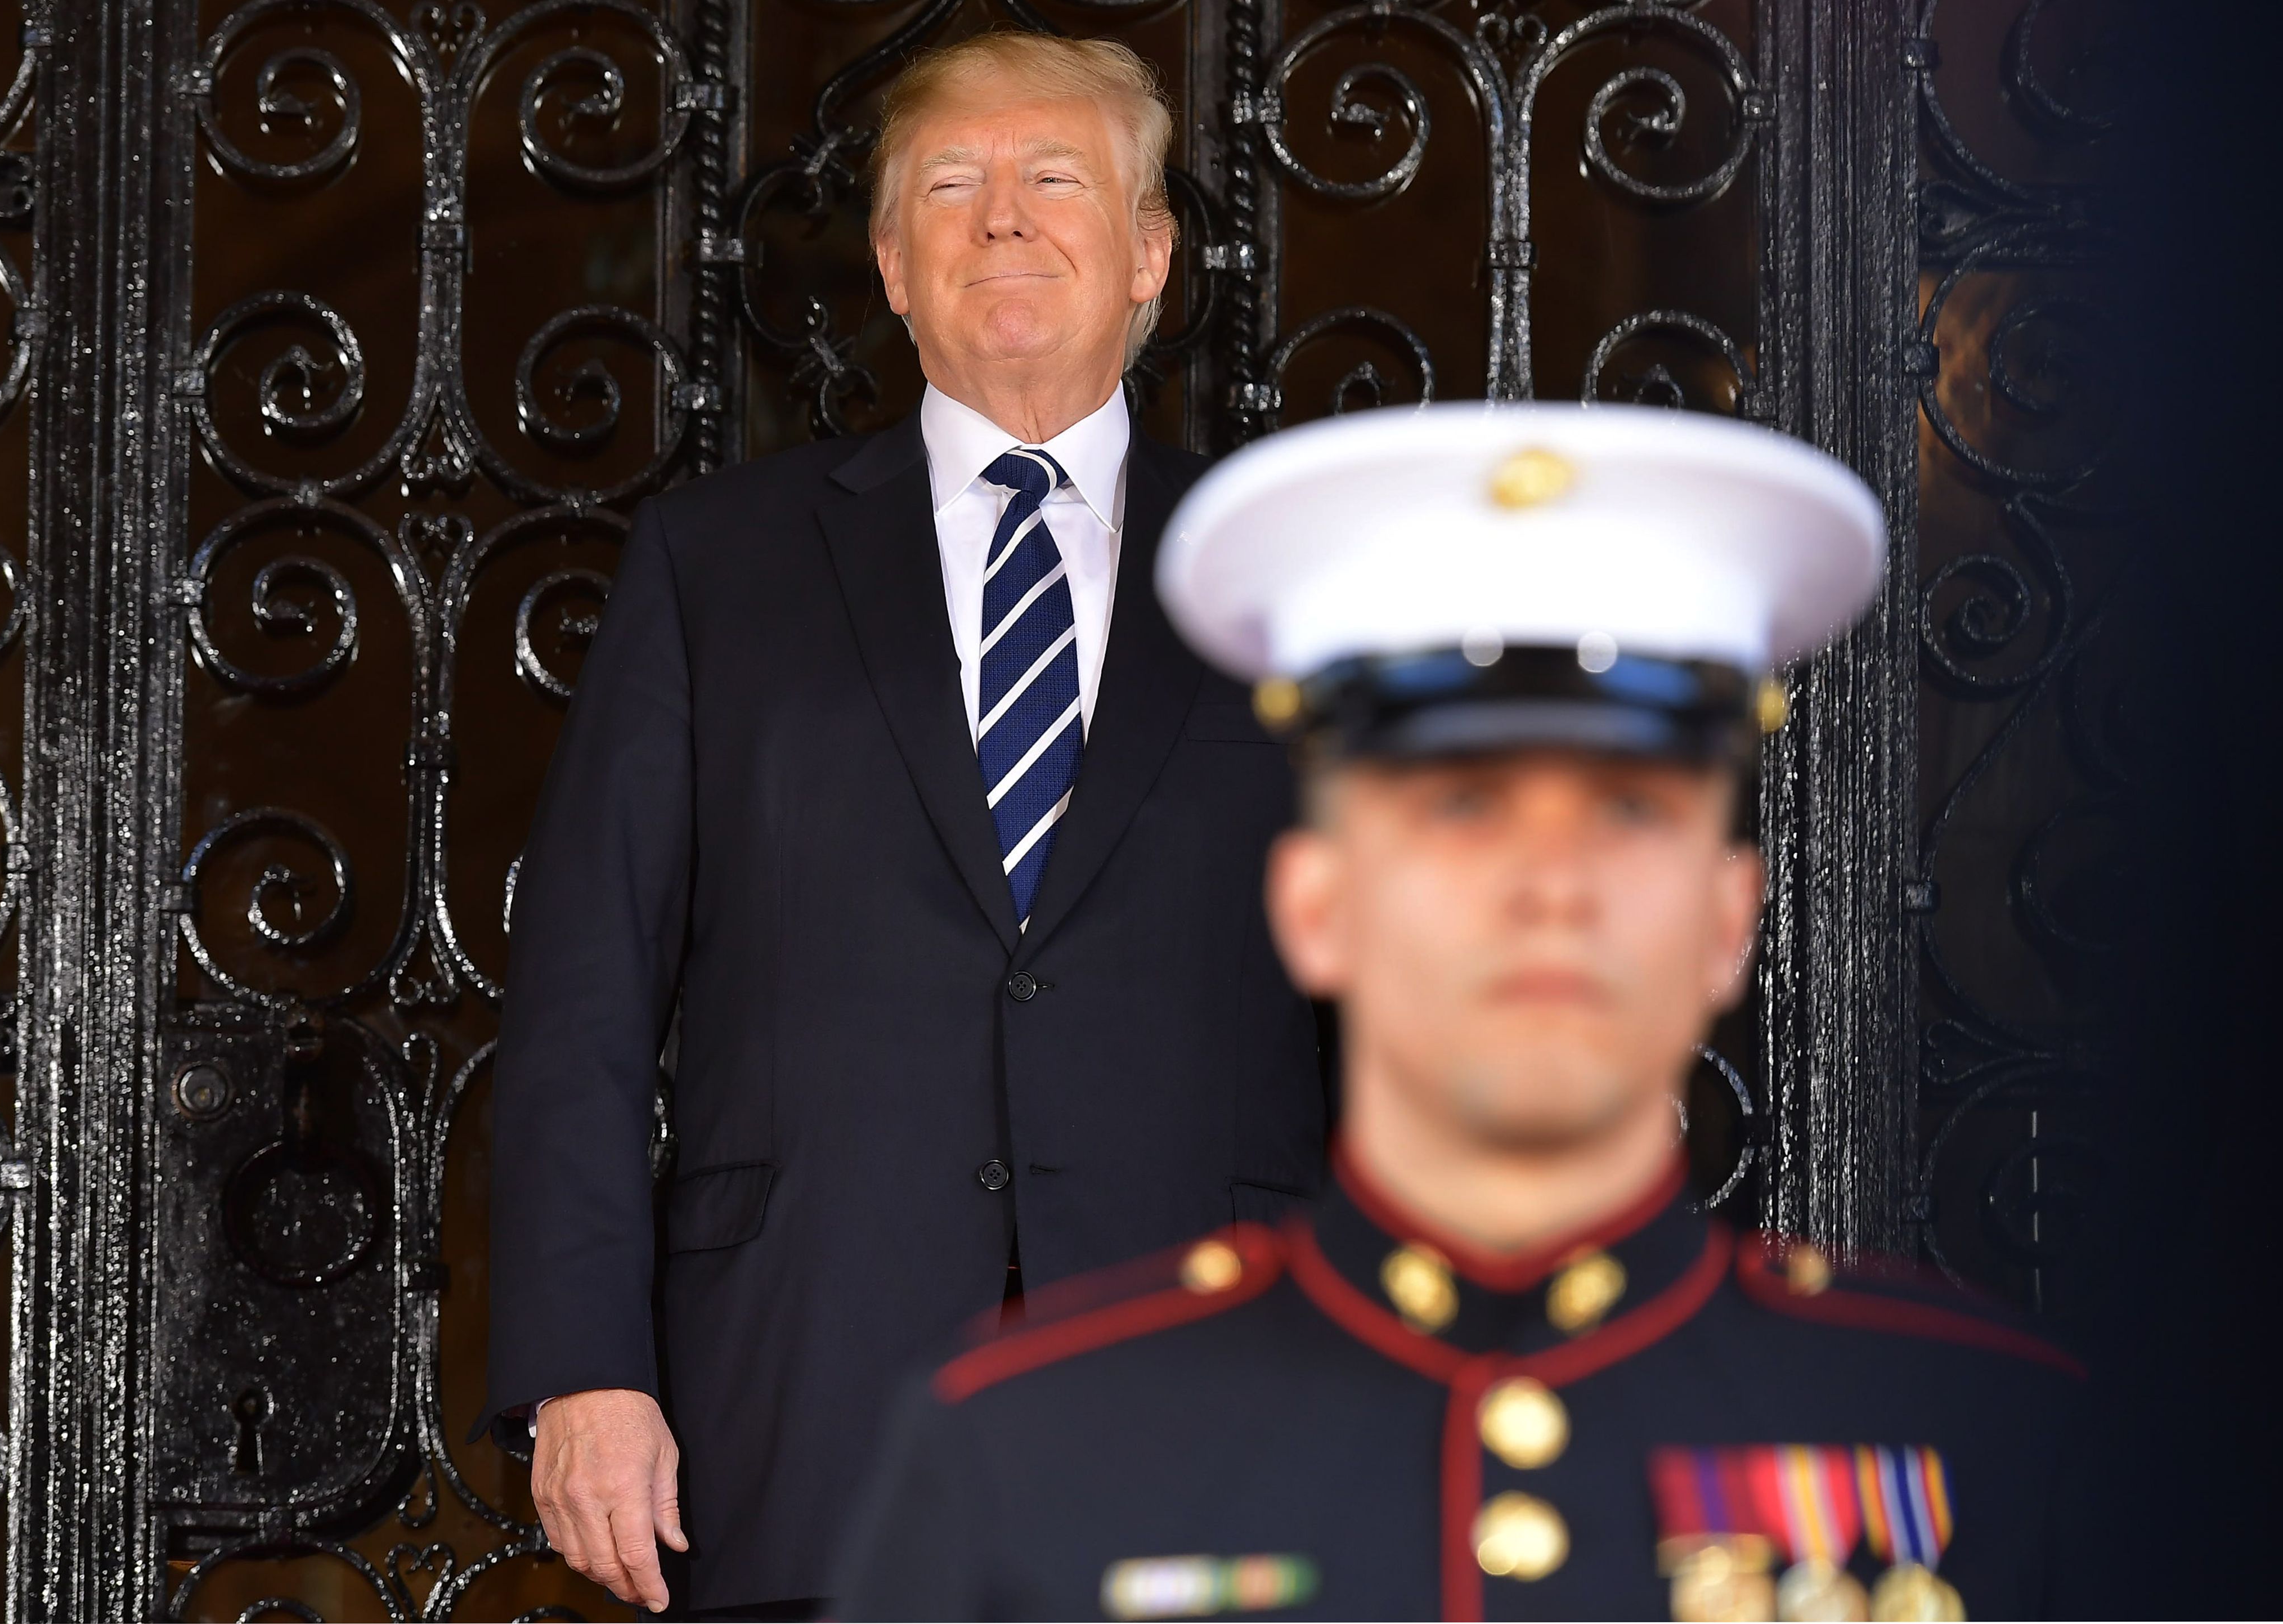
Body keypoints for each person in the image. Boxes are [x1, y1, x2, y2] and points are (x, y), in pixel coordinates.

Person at [832, 403, 2087, 1621]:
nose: (1551, 887)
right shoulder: (1024, 1460)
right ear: (1315, 905)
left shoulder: (1996, 1446)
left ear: (1727, 915)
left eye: (1630, 812)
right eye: (1464, 810)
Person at [483, 33, 1326, 1618]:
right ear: (889, 262)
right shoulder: (712, 567)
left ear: (1151, 252)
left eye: (1054, 176)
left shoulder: (1282, 578)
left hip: (1221, 1399)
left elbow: (1397, 1004)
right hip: (799, 1409)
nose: (1001, 217)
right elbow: (582, 1000)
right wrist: (581, 1370)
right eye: (951, 183)